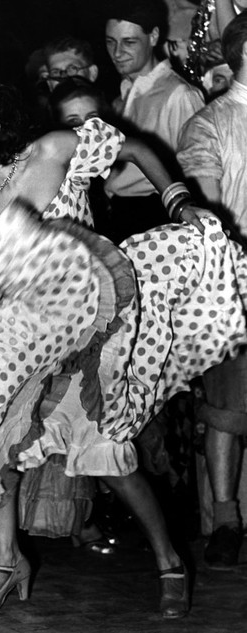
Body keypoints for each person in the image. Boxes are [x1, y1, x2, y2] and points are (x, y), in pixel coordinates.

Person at [0, 82, 227, 621]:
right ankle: (7, 563)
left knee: (106, 454)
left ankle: (169, 563)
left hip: (95, 326)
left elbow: (133, 149)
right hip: (30, 339)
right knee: (1, 449)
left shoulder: (54, 149)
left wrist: (177, 200)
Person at [177, 10, 247, 568]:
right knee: (226, 407)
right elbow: (211, 212)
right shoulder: (210, 122)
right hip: (233, 281)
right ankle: (226, 518)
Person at [104, 0, 204, 243]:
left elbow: (200, 171)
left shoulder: (179, 94)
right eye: (110, 42)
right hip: (119, 215)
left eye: (129, 42)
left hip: (158, 216)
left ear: (154, 36)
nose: (117, 53)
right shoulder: (122, 94)